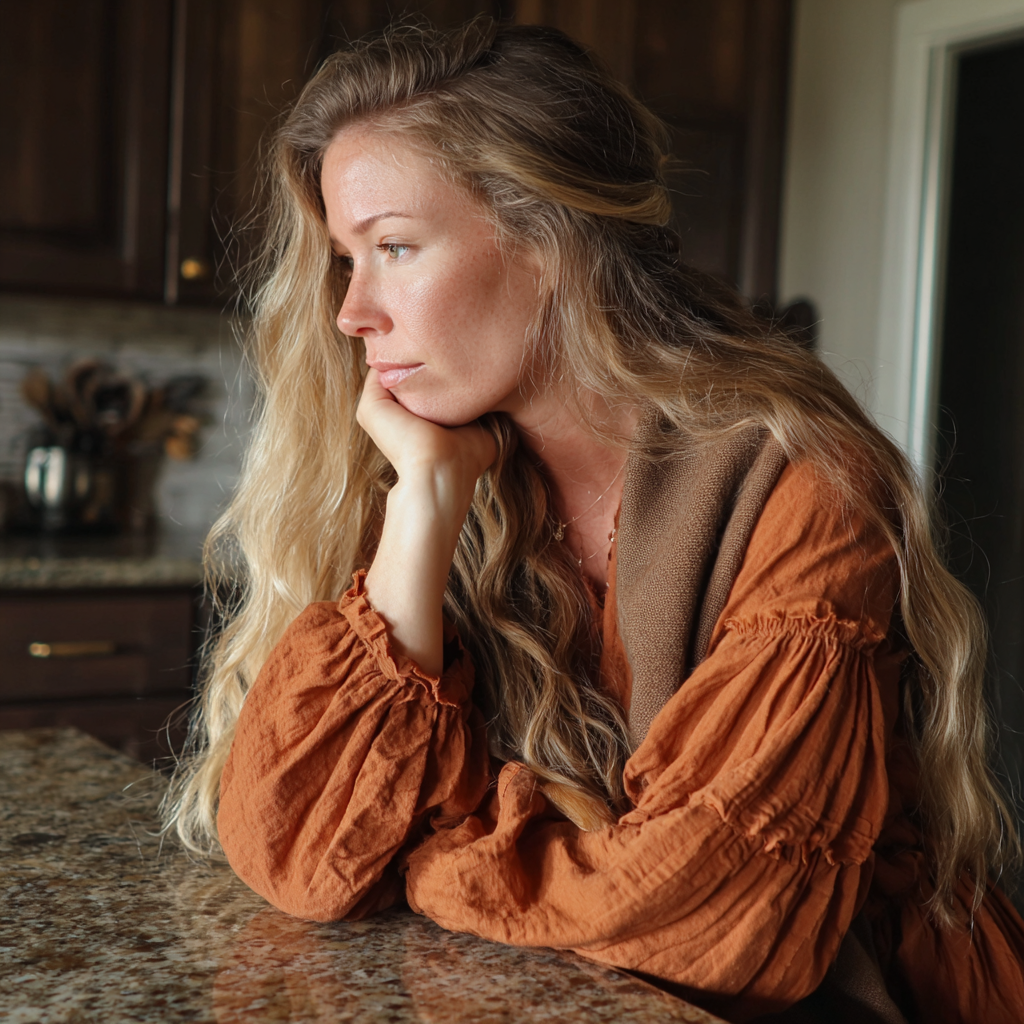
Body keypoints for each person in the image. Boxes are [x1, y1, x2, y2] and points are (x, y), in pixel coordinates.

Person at [164, 19, 1024, 1023]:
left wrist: (425, 854)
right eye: (346, 260)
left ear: (548, 240)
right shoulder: (436, 473)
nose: (352, 312)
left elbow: (715, 915)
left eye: (392, 247)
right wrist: (427, 506)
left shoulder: (805, 486)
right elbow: (297, 850)